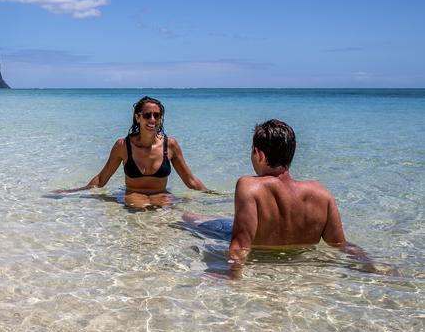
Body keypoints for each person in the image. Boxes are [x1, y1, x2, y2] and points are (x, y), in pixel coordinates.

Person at [184, 119, 372, 277]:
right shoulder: (321, 192)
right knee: (218, 222)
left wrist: (231, 275)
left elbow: (240, 246)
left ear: (259, 154)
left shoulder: (249, 185)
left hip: (258, 247)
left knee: (188, 219)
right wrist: (370, 265)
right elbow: (339, 244)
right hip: (298, 257)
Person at [56, 96, 210, 210]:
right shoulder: (122, 145)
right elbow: (102, 179)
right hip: (134, 194)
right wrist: (72, 192)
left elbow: (190, 180)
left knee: (165, 213)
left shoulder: (170, 145)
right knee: (139, 208)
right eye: (147, 115)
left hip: (162, 194)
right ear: (138, 117)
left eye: (157, 115)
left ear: (161, 119)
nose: (152, 119)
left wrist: (214, 196)